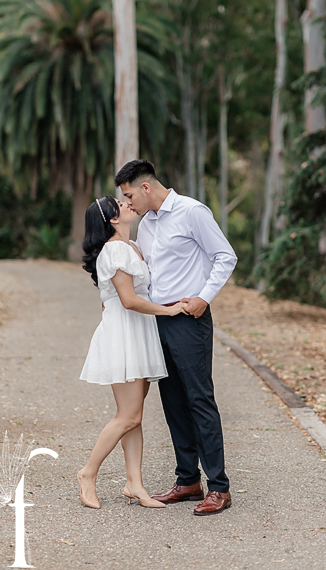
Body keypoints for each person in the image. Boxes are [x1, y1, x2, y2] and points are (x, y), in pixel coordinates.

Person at [115, 159, 237, 517]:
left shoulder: (192, 212)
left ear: (146, 188)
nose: (128, 203)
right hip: (158, 319)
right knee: (172, 401)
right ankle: (187, 480)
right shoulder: (147, 225)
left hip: (188, 316)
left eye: (129, 195)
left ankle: (219, 487)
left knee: (200, 399)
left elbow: (225, 256)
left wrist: (203, 298)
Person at [78, 195, 188, 509]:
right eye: (120, 205)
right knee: (128, 415)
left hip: (137, 333)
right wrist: (170, 311)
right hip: (124, 334)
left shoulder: (133, 247)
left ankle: (134, 484)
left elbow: (111, 298)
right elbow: (128, 300)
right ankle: (87, 473)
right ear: (112, 219)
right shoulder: (114, 250)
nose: (127, 204)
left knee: (134, 417)